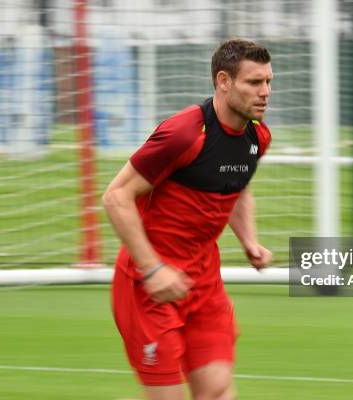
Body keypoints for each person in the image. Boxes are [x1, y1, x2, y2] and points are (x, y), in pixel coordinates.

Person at [103, 39, 274, 400]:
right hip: (147, 285)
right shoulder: (184, 134)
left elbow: (237, 187)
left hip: (203, 283)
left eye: (268, 82)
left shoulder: (257, 135)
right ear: (224, 81)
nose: (265, 92)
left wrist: (249, 240)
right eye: (254, 83)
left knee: (217, 392)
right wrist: (152, 269)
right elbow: (116, 197)